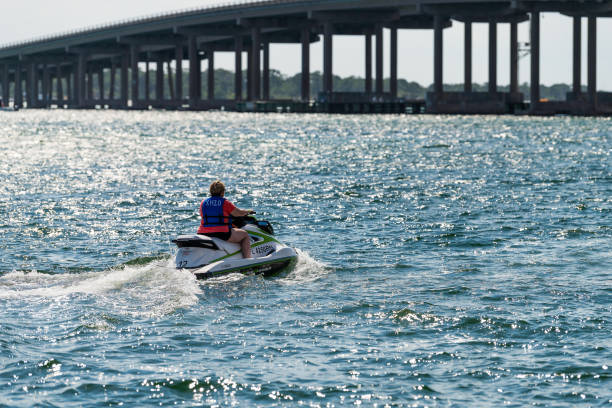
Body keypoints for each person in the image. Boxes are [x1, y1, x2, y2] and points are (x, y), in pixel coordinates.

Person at [197, 180, 254, 258]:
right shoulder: (225, 202)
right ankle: (248, 260)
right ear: (222, 192)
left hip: (203, 232)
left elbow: (203, 215)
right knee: (245, 235)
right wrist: (248, 211)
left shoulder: (203, 203)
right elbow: (238, 213)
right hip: (221, 233)